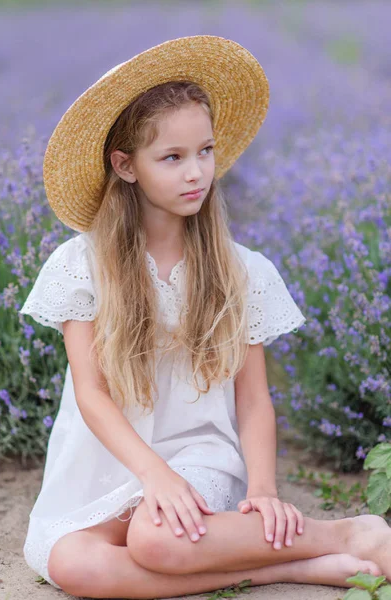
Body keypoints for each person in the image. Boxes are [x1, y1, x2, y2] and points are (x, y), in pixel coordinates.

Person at [19, 35, 390, 598]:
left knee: (156, 541)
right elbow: (91, 395)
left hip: (201, 456)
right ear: (125, 166)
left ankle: (348, 532)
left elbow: (253, 399)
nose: (197, 173)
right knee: (74, 565)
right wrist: (152, 474)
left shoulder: (240, 271)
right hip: (107, 463)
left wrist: (263, 489)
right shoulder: (80, 265)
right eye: (172, 157)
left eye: (206, 151)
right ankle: (289, 565)